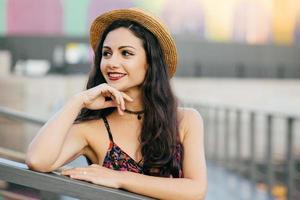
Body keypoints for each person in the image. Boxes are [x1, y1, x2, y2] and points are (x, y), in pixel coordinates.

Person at [26, 8, 207, 200]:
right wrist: (77, 101)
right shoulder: (91, 129)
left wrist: (120, 178)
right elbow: (37, 160)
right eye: (106, 53)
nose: (112, 62)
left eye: (126, 53)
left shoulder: (186, 120)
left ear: (150, 61)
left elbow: (195, 190)